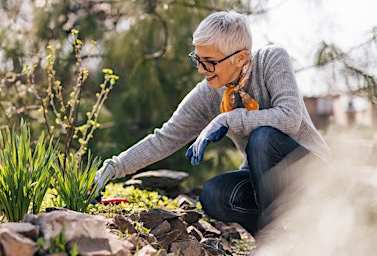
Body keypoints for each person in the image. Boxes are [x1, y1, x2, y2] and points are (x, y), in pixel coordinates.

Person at [93, 10, 329, 236]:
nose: (201, 70)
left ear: (240, 57)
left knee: (263, 136)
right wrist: (112, 168)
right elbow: (164, 139)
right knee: (214, 194)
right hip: (266, 186)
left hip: (312, 175)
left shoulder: (272, 60)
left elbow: (288, 118)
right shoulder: (209, 93)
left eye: (209, 62)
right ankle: (275, 243)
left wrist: (229, 118)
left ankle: (276, 235)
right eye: (197, 59)